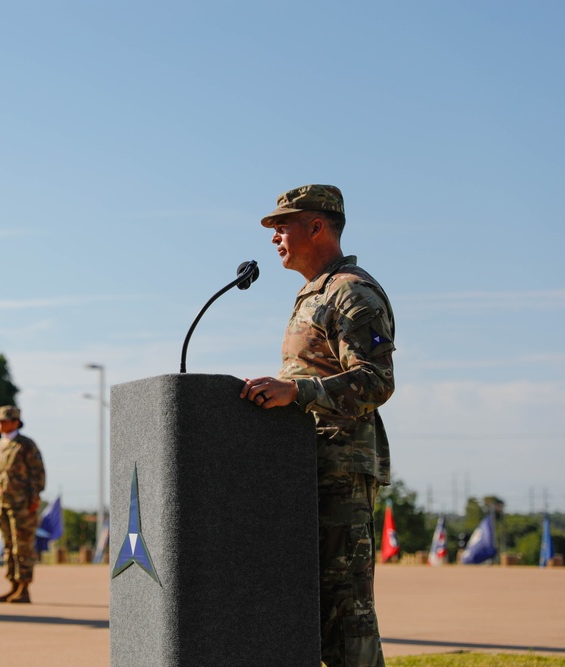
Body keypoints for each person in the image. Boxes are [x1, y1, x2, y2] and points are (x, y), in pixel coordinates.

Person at [239, 184, 394, 667]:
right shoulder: (314, 294)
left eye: (282, 226)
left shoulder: (352, 293)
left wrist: (296, 392)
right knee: (319, 618)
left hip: (341, 474)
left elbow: (376, 381)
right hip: (307, 468)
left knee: (346, 618)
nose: (274, 237)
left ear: (317, 226)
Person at [0, 405, 45, 604]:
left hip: (22, 504)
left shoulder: (25, 445)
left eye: (4, 421)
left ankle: (24, 586)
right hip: (3, 502)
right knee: (8, 545)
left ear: (15, 422)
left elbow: (38, 473)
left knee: (23, 546)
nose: (0, 424)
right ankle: (13, 584)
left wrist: (34, 498)